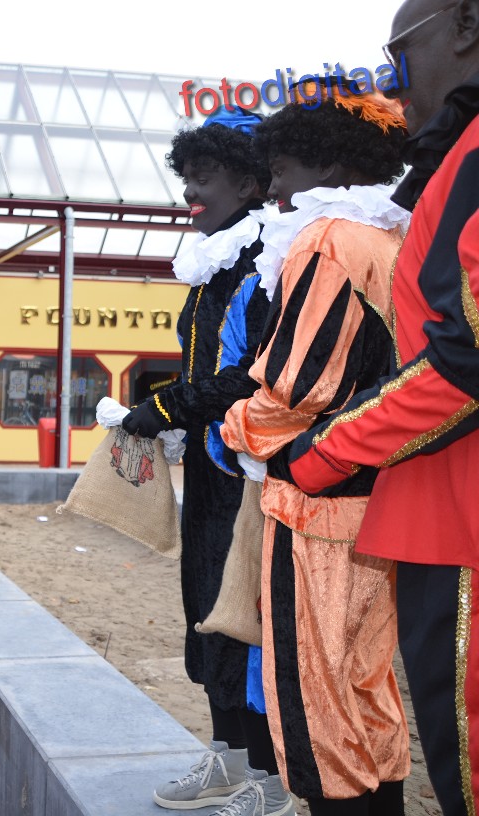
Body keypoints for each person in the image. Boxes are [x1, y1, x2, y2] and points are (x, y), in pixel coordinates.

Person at [267, 2, 479, 812]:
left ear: (465, 26)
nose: (392, 86)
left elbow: (462, 359)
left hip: (449, 512)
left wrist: (314, 451)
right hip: (418, 492)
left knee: (350, 708)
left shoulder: (337, 236)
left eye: (399, 57)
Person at [222, 88, 412, 816]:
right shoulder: (391, 239)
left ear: (328, 165)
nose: (272, 186)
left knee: (315, 696)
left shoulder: (328, 238)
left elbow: (297, 387)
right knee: (368, 684)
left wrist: (235, 429)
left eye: (281, 167)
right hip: (382, 497)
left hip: (316, 505)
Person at [120, 110, 284, 814]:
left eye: (204, 176)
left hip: (256, 476)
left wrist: (165, 407)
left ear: (249, 182)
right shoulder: (215, 262)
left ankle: (269, 784)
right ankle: (227, 757)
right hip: (215, 472)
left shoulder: (268, 261)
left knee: (245, 618)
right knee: (207, 611)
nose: (190, 191)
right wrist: (175, 414)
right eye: (185, 176)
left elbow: (255, 376)